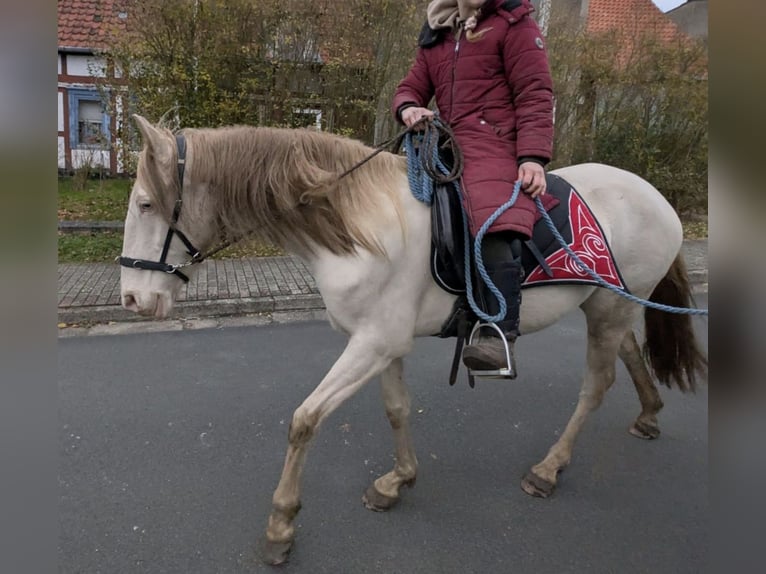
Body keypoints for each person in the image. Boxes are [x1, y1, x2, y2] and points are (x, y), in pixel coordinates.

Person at [392, 0, 554, 374]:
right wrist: (408, 109)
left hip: (496, 143)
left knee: (492, 212)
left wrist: (532, 157)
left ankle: (497, 332)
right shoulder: (438, 33)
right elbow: (410, 87)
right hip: (445, 144)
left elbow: (535, 93)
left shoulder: (515, 25)